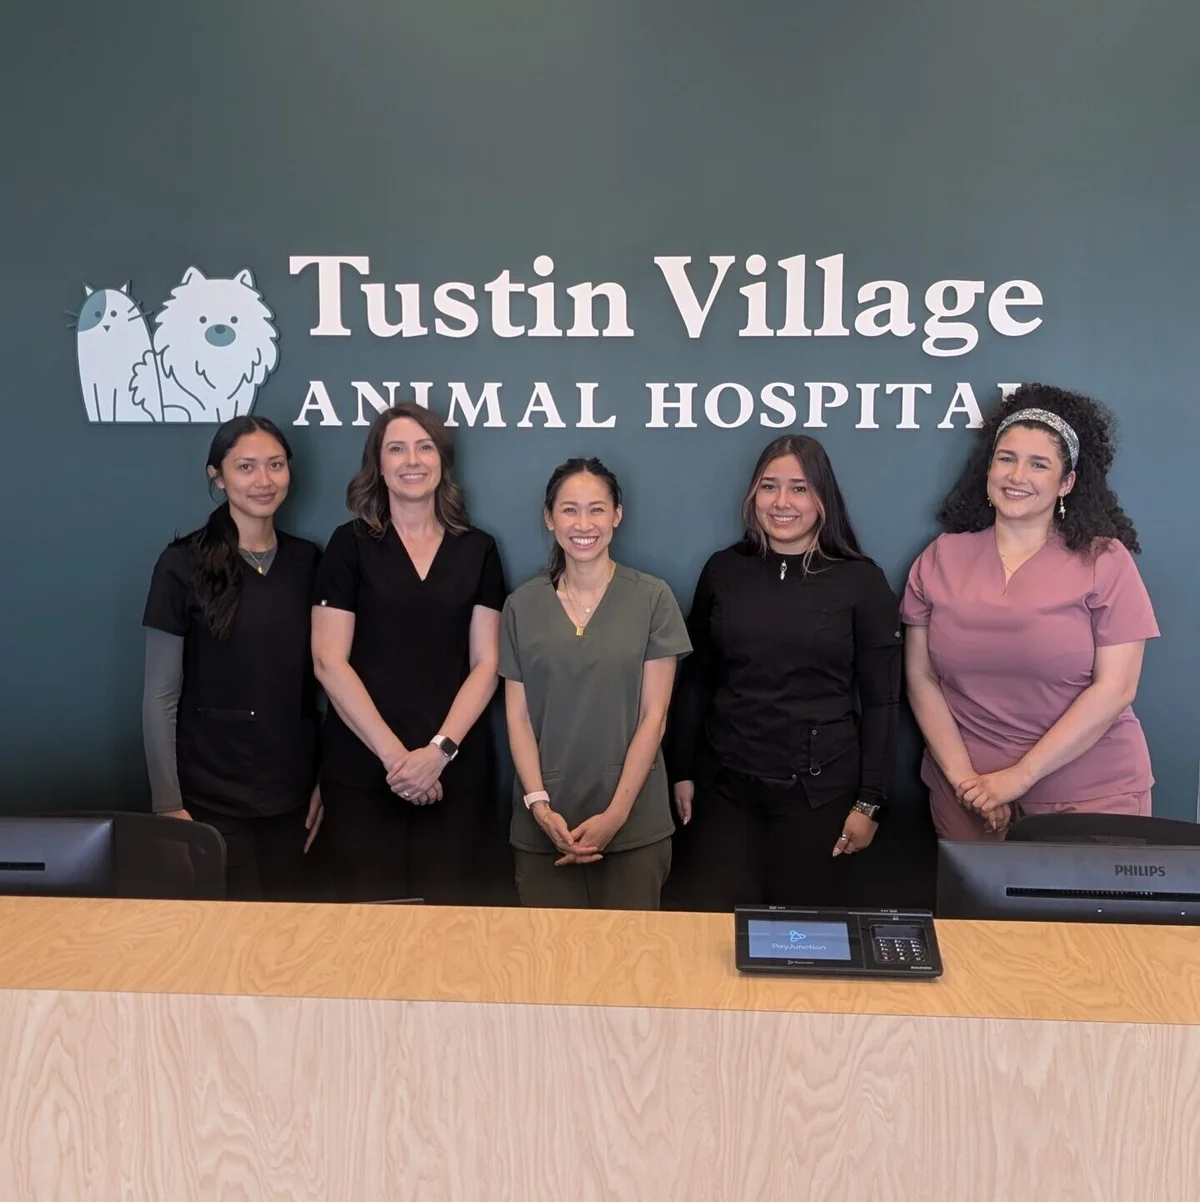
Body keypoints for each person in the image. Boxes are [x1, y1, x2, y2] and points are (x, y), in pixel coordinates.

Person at [901, 383, 1160, 840]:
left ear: (1066, 483)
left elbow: (1116, 688)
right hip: (967, 797)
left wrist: (1017, 779)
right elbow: (921, 678)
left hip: (1089, 797)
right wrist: (969, 784)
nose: (1017, 475)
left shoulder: (1105, 560)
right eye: (1006, 458)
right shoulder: (940, 557)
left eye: (1038, 464)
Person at [667, 435, 902, 911]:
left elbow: (882, 701)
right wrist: (682, 771)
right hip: (726, 789)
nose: (781, 502)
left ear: (823, 497)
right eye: (769, 486)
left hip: (820, 795)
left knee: (801, 936)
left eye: (799, 488)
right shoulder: (724, 570)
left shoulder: (860, 580)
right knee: (716, 927)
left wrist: (870, 802)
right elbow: (697, 679)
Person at [311, 402, 507, 903]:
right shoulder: (348, 545)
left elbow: (487, 665)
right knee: (366, 928)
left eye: (424, 447)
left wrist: (436, 755)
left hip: (455, 773)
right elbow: (329, 662)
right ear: (378, 464)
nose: (412, 460)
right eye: (396, 449)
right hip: (364, 772)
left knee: (452, 927)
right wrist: (399, 762)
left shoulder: (478, 548)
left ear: (443, 460)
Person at [141, 416, 323, 901]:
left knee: (290, 934)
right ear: (217, 477)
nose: (264, 480)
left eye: (275, 465)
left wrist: (325, 782)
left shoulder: (309, 562)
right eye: (246, 467)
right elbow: (160, 696)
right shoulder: (181, 563)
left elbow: (324, 686)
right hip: (209, 800)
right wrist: (167, 805)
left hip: (293, 798)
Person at [500, 458, 692, 910]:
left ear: (617, 515)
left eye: (597, 509)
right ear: (549, 518)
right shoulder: (521, 605)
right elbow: (518, 717)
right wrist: (539, 807)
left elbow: (654, 716)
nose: (583, 524)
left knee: (632, 954)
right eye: (569, 510)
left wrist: (616, 816)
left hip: (634, 828)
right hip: (545, 828)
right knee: (544, 954)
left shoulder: (653, 598)